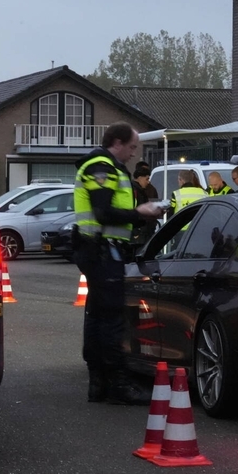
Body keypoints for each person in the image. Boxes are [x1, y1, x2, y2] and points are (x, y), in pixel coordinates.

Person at [73, 122, 164, 405]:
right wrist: (141, 212)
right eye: (132, 147)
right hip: (102, 251)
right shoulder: (102, 167)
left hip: (99, 251)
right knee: (110, 318)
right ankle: (117, 384)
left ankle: (99, 383)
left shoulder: (104, 165)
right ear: (117, 142)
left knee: (99, 317)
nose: (134, 154)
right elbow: (103, 212)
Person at [130, 163, 158, 249]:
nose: (148, 182)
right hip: (139, 233)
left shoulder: (141, 190)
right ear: (139, 178)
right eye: (147, 179)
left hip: (143, 231)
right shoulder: (135, 191)